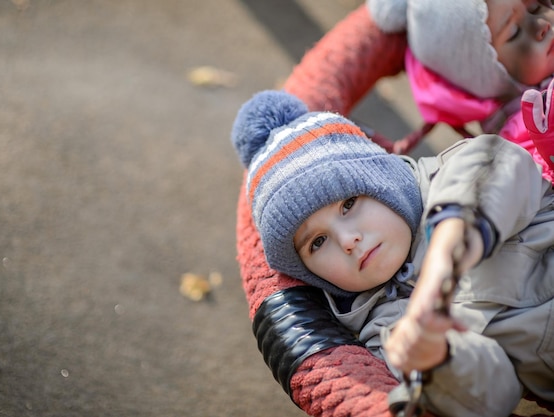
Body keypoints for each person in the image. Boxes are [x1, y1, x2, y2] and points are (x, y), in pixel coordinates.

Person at [231, 89, 554, 416]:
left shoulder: (453, 172)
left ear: (383, 182)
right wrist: (439, 359)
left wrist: (438, 273)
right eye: (317, 242)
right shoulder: (387, 335)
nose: (348, 240)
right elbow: (497, 396)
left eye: (348, 204)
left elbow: (498, 169)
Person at [367, 0, 554, 182]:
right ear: (488, 74)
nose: (541, 24)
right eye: (514, 32)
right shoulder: (521, 141)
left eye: (536, 7)